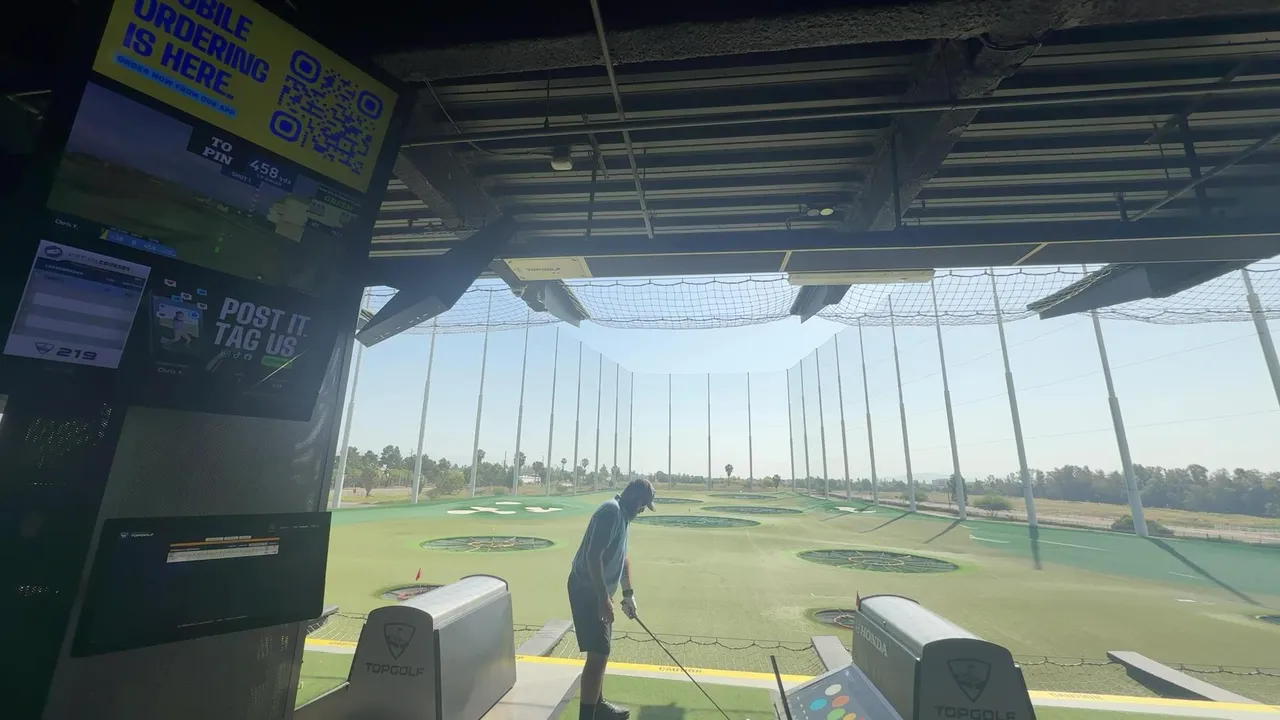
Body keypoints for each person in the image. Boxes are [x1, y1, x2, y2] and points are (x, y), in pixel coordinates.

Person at [567, 478, 656, 720]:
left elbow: (622, 557)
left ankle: (598, 706)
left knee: (601, 651)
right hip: (586, 589)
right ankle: (588, 716)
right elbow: (593, 556)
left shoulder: (622, 516)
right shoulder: (610, 512)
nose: (642, 511)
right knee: (598, 654)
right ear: (636, 500)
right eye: (643, 506)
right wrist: (602, 598)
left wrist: (628, 594)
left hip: (598, 590)